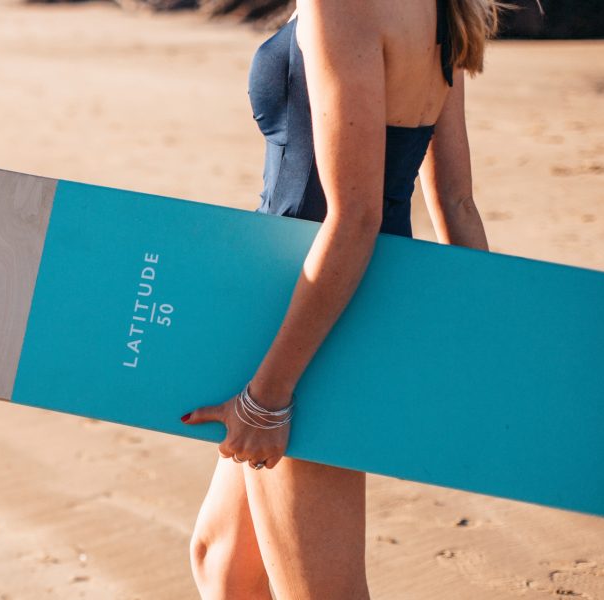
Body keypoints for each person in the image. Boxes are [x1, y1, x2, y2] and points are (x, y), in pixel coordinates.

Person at [177, 0, 501, 598]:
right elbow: (457, 203)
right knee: (222, 562)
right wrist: (473, 347)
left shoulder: (342, 5)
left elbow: (354, 217)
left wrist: (267, 399)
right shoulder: (439, 9)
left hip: (313, 328)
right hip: (340, 308)